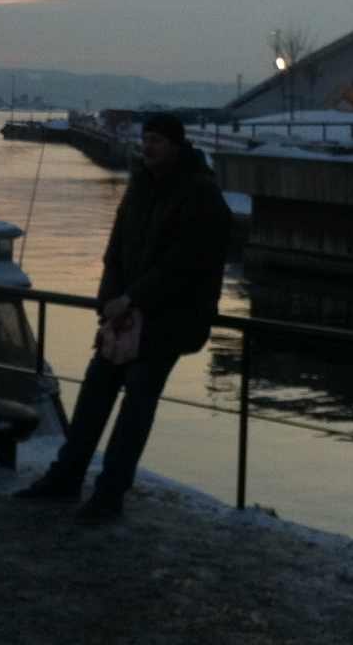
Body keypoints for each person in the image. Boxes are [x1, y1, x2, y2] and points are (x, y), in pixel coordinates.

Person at [17, 112, 231, 520]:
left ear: (177, 146)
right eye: (146, 138)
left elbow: (184, 264)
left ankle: (109, 493)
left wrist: (129, 298)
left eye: (157, 140)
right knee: (95, 391)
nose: (148, 146)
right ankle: (67, 476)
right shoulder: (141, 187)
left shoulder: (200, 194)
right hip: (125, 315)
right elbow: (115, 250)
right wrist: (110, 300)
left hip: (169, 319)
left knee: (136, 404)